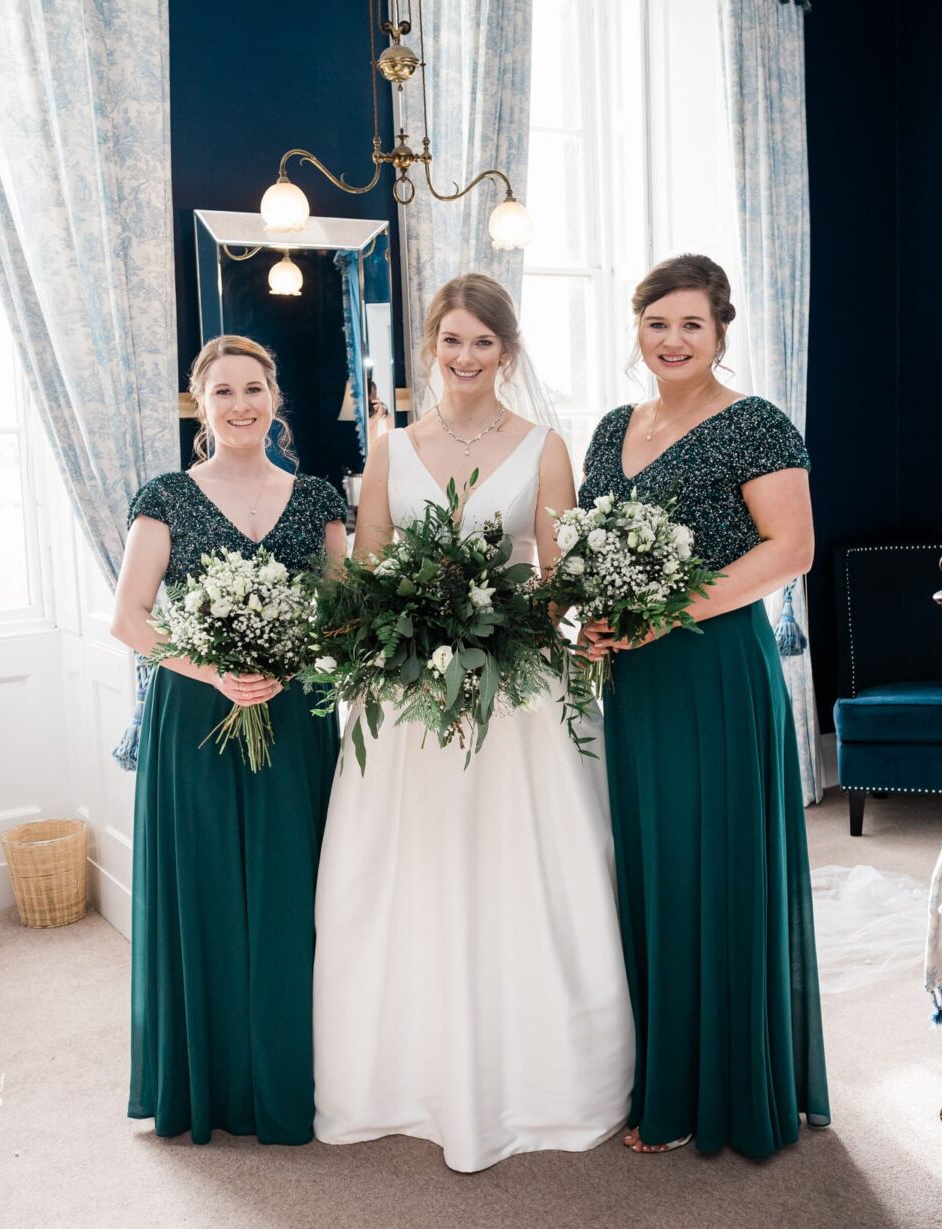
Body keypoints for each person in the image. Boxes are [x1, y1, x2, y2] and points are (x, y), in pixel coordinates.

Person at [312, 274, 634, 1173]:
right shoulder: (391, 447)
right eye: (451, 341)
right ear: (430, 343)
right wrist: (409, 628)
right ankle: (404, 1075)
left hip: (519, 693)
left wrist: (557, 622)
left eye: (481, 344)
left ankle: (542, 1076)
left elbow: (560, 576)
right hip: (413, 705)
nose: (464, 358)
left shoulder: (546, 447)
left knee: (522, 872)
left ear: (508, 351)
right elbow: (370, 573)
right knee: (408, 879)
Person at [578, 253, 830, 1156]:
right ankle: (667, 1079)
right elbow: (594, 551)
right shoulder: (613, 429)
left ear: (721, 330)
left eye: (691, 323)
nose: (673, 339)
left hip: (717, 667)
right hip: (635, 683)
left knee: (719, 863)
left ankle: (729, 1087)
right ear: (637, 333)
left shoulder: (756, 423)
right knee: (653, 863)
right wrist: (599, 621)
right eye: (656, 323)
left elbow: (791, 548)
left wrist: (663, 615)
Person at [112, 335, 347, 1144]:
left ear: (274, 396)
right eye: (223, 392)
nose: (241, 404)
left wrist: (295, 659)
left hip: (296, 714)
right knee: (205, 895)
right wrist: (213, 670)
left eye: (254, 388)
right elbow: (130, 617)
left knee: (293, 895)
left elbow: (342, 614)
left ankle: (288, 1078)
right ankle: (204, 1084)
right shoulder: (167, 496)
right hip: (197, 717)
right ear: (200, 403)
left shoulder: (317, 498)